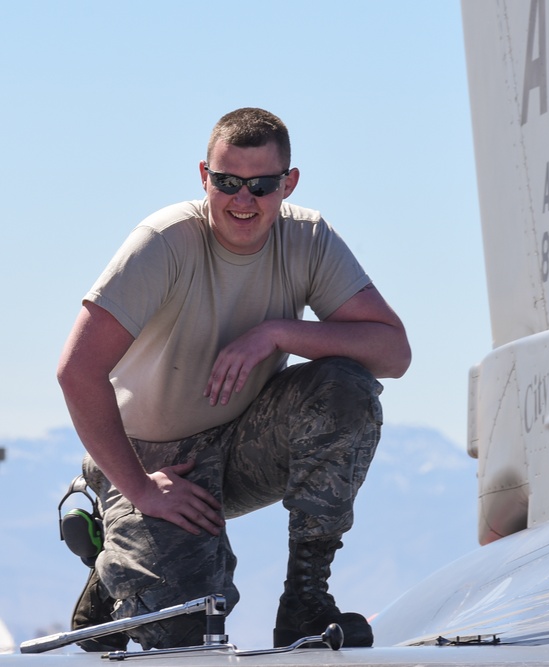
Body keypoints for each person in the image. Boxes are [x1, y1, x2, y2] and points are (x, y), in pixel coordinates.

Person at [56, 107, 411, 651]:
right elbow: (76, 370)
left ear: (287, 184)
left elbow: (392, 350)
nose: (243, 200)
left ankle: (305, 599)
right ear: (204, 177)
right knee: (182, 633)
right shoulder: (164, 242)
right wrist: (139, 489)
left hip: (244, 440)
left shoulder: (309, 239)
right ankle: (113, 555)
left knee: (346, 389)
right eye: (227, 182)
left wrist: (278, 333)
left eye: (261, 185)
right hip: (154, 464)